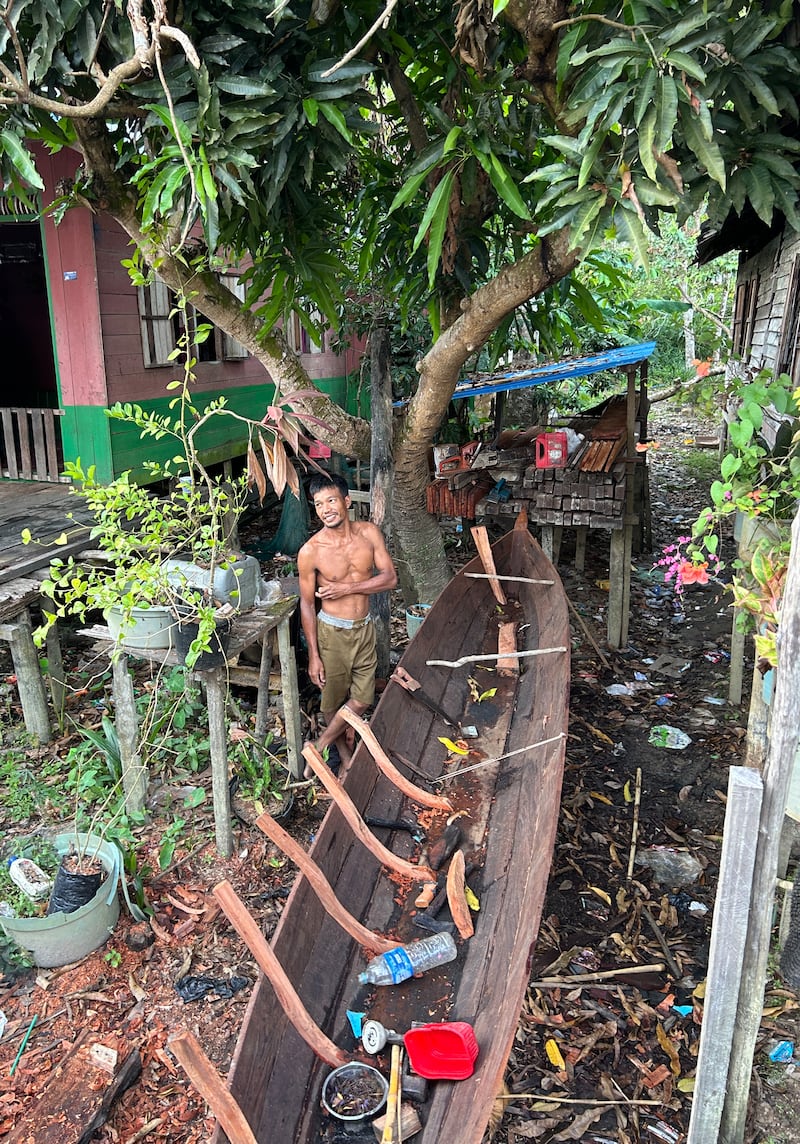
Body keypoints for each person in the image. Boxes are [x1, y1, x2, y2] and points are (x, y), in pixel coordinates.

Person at [298, 473, 397, 775]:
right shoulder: (310, 552)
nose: (326, 509)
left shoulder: (369, 534)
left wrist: (346, 589)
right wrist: (314, 655)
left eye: (331, 500)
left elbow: (390, 578)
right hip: (332, 632)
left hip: (364, 629)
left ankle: (319, 745)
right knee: (331, 696)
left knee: (363, 698)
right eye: (318, 504)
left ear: (346, 501)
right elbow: (306, 603)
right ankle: (344, 755)